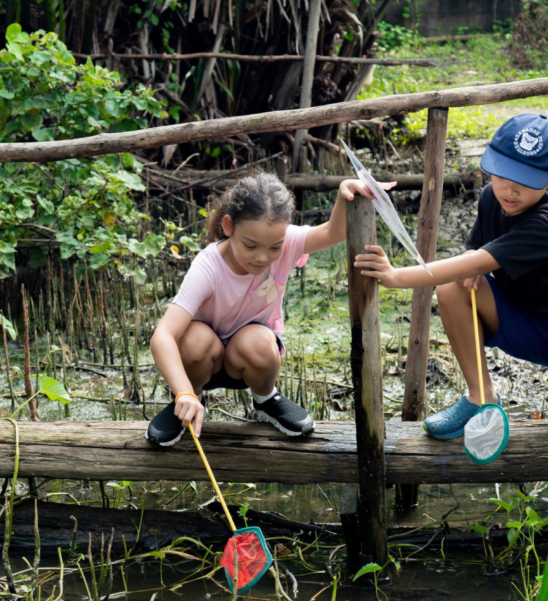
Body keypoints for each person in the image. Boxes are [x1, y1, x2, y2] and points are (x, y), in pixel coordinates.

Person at [353, 113, 548, 438]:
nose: (510, 189)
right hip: (528, 322)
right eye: (503, 174)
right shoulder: (492, 199)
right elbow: (473, 255)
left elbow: (479, 259)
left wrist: (396, 276)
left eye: (527, 179)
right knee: (453, 286)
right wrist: (471, 266)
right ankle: (481, 397)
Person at [146, 172, 388, 446]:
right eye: (250, 245)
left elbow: (334, 232)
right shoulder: (208, 266)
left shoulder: (288, 242)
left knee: (260, 343)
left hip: (248, 359)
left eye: (275, 246)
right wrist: (183, 392)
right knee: (194, 340)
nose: (263, 257)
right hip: (202, 361)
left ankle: (265, 399)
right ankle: (190, 400)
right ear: (228, 226)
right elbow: (163, 335)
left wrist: (345, 193)